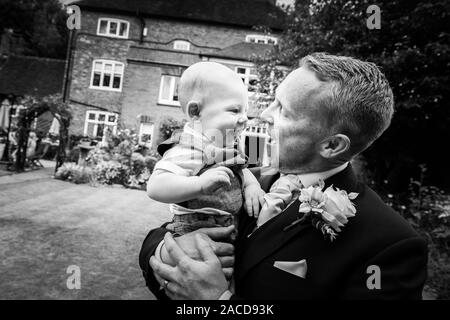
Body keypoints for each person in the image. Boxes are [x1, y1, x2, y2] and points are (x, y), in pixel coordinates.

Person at [139, 53, 428, 299]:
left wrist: (218, 301)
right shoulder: (243, 178)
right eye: (273, 101)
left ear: (332, 145)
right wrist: (167, 255)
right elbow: (161, 233)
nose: (263, 113)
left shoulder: (389, 248)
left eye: (284, 110)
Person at [146, 62, 265, 262]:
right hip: (193, 235)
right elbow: (155, 186)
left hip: (228, 232)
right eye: (235, 110)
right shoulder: (187, 149)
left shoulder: (225, 146)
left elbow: (242, 171)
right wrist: (199, 185)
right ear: (196, 112)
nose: (245, 118)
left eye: (245, 111)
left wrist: (252, 186)